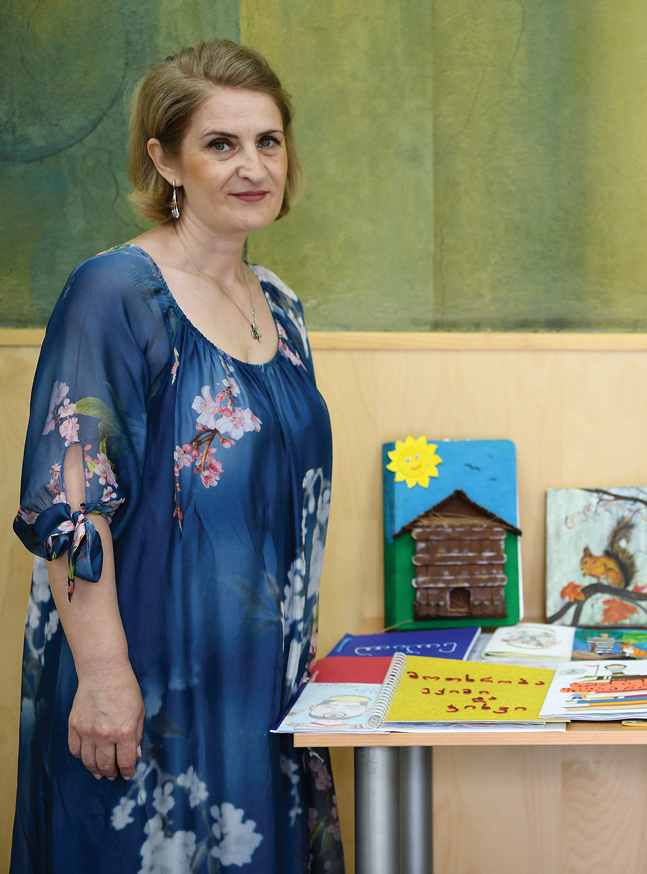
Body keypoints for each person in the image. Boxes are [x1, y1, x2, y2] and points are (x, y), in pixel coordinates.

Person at [11, 40, 343, 872]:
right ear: (166, 161)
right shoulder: (115, 294)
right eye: (221, 144)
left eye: (268, 141)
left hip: (260, 691)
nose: (252, 167)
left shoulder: (283, 307)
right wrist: (105, 678)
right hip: (141, 690)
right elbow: (72, 506)